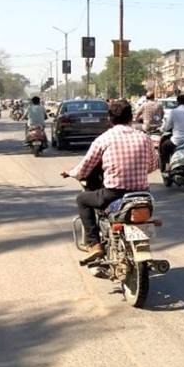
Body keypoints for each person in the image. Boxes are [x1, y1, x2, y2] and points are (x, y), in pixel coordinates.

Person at [61, 100, 157, 260]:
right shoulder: (144, 138)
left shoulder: (103, 139)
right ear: (131, 117)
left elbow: (84, 168)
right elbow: (153, 165)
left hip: (114, 194)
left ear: (109, 119)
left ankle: (94, 244)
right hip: (143, 195)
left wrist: (71, 173)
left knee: (82, 199)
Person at [159, 94, 184, 172]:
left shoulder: (173, 112)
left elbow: (166, 127)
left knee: (164, 146)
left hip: (177, 141)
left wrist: (162, 129)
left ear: (177, 102)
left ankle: (167, 166)